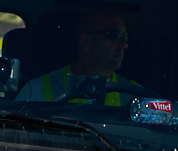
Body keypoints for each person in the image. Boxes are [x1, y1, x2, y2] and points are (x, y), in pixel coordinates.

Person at [15, 8, 145, 106]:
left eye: (125, 37)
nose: (124, 44)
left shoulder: (136, 95)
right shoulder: (38, 90)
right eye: (115, 35)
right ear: (86, 42)